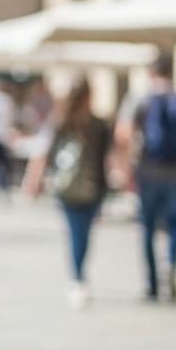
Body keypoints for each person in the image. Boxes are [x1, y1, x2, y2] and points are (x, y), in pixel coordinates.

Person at [115, 55, 176, 302]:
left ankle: (152, 283)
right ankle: (171, 263)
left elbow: (123, 134)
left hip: (148, 170)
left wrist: (128, 162)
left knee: (149, 227)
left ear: (151, 73)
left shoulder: (140, 99)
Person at [22, 77, 111, 309]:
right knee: (85, 233)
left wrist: (33, 182)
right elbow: (109, 158)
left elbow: (42, 154)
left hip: (67, 187)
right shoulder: (98, 124)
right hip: (94, 187)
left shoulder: (60, 121)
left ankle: (77, 277)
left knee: (74, 232)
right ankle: (80, 276)